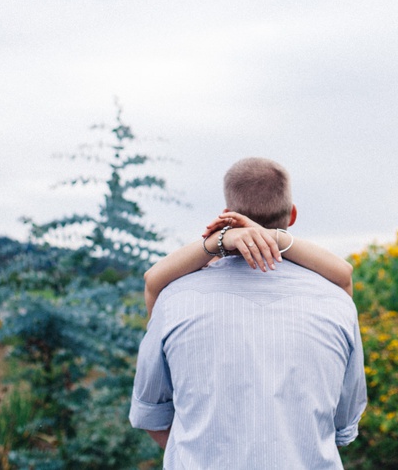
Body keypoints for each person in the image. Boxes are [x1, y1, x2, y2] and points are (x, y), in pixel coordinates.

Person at [129, 157, 367, 469]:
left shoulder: (174, 299)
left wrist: (218, 242)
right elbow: (342, 425)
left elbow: (151, 413)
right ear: (292, 215)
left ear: (227, 217)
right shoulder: (337, 303)